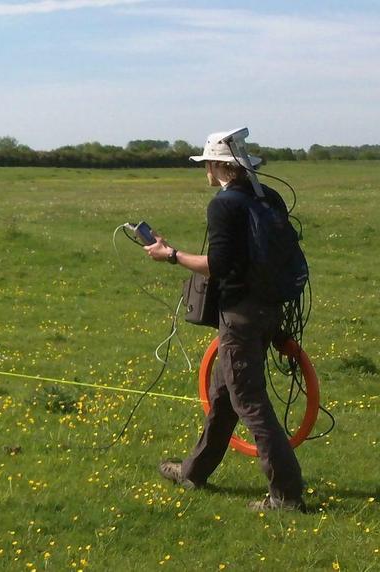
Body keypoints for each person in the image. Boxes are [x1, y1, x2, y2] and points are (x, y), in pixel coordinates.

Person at [144, 131, 305, 512]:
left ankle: (286, 495)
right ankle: (193, 472)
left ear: (218, 166)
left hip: (240, 316)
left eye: (207, 165)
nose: (206, 172)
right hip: (271, 308)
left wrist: (171, 255)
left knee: (248, 400)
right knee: (223, 395)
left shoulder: (223, 205)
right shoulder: (269, 197)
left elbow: (217, 266)